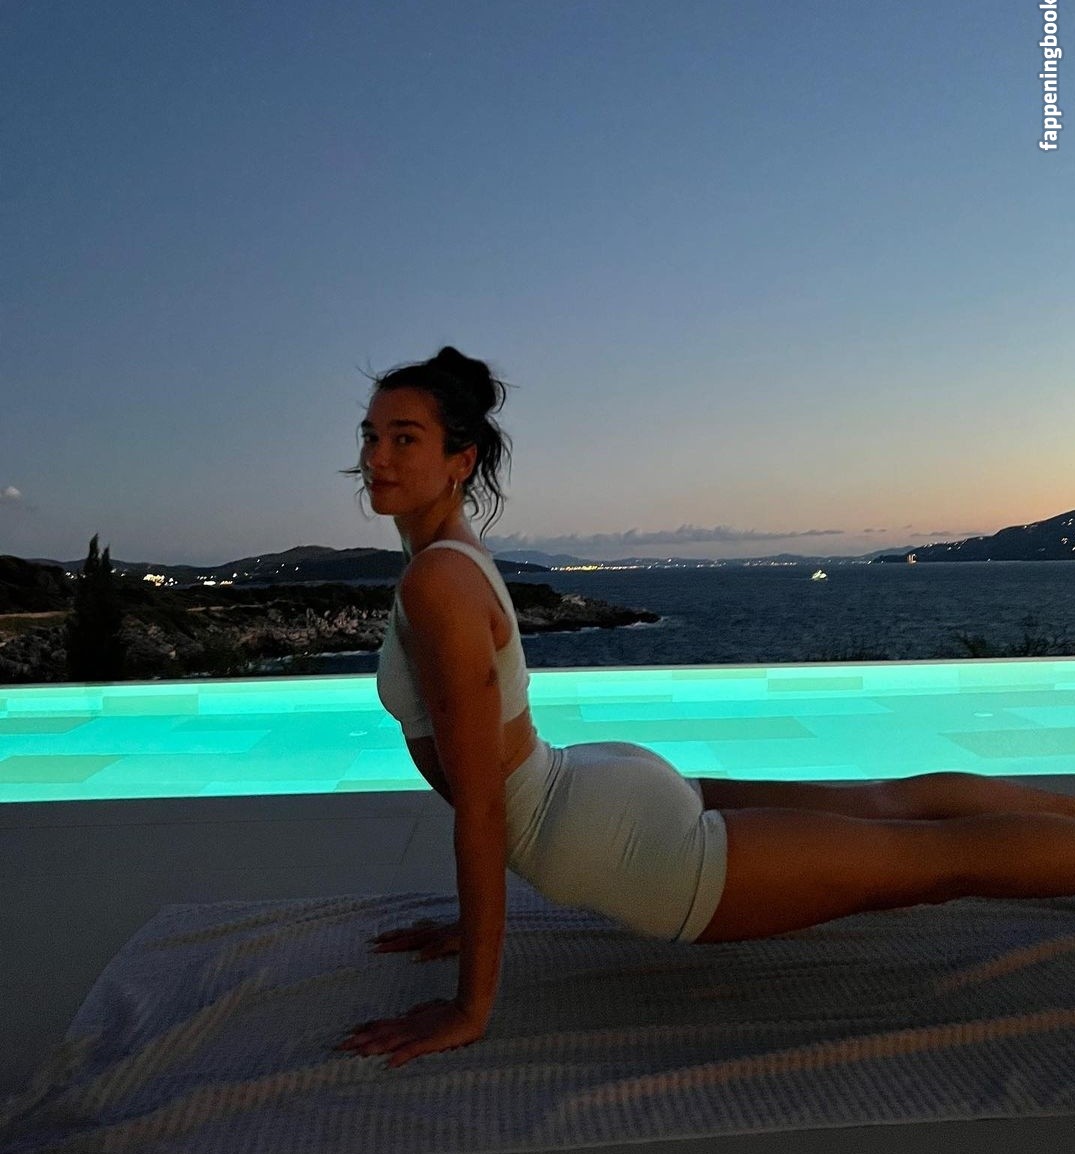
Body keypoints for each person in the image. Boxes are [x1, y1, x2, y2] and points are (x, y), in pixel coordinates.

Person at [333, 346, 1075, 1069]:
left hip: (619, 841)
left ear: (460, 460)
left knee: (938, 861)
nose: (377, 458)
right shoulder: (453, 557)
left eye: (405, 438)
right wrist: (470, 923)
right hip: (594, 791)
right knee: (894, 809)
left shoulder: (436, 582)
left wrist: (469, 1007)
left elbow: (482, 806)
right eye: (371, 436)